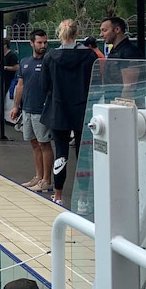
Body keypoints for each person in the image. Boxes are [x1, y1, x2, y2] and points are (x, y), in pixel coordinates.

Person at [41, 19, 97, 207]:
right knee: (83, 155)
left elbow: (44, 85)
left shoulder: (50, 57)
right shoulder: (89, 56)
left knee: (61, 153)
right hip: (82, 108)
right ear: (76, 33)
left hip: (58, 109)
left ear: (60, 33)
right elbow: (94, 81)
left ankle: (58, 195)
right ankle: (83, 199)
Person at [9, 29, 53, 193]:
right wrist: (16, 106)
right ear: (32, 43)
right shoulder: (25, 62)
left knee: (44, 143)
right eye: (40, 42)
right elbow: (20, 85)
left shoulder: (49, 62)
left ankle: (47, 180)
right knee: (34, 143)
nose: (43, 45)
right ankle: (38, 176)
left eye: (45, 42)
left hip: (41, 109)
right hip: (27, 109)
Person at [99, 16, 143, 99]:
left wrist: (121, 107)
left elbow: (129, 87)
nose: (101, 35)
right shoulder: (115, 50)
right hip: (112, 103)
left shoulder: (130, 52)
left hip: (122, 105)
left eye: (104, 30)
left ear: (117, 30)